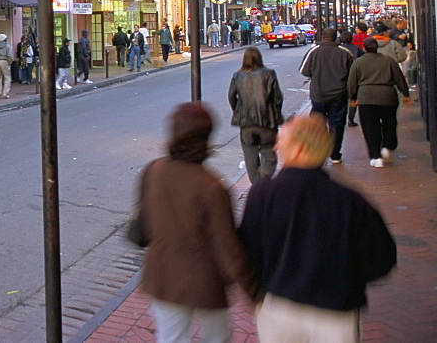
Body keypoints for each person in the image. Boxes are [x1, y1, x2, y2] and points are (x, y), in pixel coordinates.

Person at [239, 114, 397, 341]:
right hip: (336, 311)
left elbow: (247, 252)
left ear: (300, 148)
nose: (276, 145)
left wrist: (261, 289)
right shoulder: (350, 202)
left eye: (282, 140)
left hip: (278, 308)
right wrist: (349, 281)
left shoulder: (263, 196)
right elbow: (382, 259)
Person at [137, 102, 255, 342]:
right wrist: (254, 291)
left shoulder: (154, 170)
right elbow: (227, 248)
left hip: (163, 276)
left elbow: (145, 226)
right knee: (217, 336)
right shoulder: (211, 187)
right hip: (205, 281)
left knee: (170, 337)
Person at [348, 38, 412, 168]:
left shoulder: (358, 63)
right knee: (389, 122)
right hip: (387, 96)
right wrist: (406, 94)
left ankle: (376, 156)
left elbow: (352, 83)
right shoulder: (389, 61)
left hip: (366, 97)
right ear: (377, 47)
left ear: (364, 48)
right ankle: (388, 146)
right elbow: (399, 78)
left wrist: (352, 98)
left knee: (370, 127)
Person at [228, 47, 283, 183]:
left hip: (246, 122)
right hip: (267, 121)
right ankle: (263, 179)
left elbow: (231, 97)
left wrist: (239, 111)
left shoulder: (237, 75)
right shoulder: (269, 74)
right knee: (269, 153)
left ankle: (257, 184)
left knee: (250, 154)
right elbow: (277, 98)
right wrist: (275, 113)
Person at [299, 28, 353, 164]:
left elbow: (304, 71)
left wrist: (316, 74)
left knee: (317, 124)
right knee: (337, 124)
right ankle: (335, 154)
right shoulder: (345, 52)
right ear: (336, 37)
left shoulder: (314, 51)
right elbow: (352, 73)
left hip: (319, 94)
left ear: (323, 36)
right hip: (339, 93)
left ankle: (318, 152)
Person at [338, 30, 364, 128]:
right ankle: (350, 119)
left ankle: (342, 117)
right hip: (354, 77)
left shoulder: (338, 49)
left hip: (340, 77)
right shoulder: (357, 49)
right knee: (353, 98)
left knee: (341, 99)